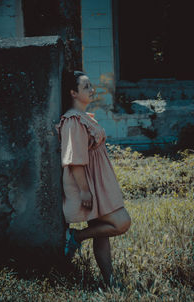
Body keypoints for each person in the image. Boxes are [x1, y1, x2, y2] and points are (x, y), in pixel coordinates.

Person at [55, 70, 131, 288]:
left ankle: (109, 282)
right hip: (89, 182)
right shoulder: (72, 121)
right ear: (73, 92)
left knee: (102, 233)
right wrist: (85, 190)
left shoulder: (83, 118)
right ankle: (77, 237)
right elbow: (75, 160)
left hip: (100, 181)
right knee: (121, 223)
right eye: (86, 86)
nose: (92, 89)